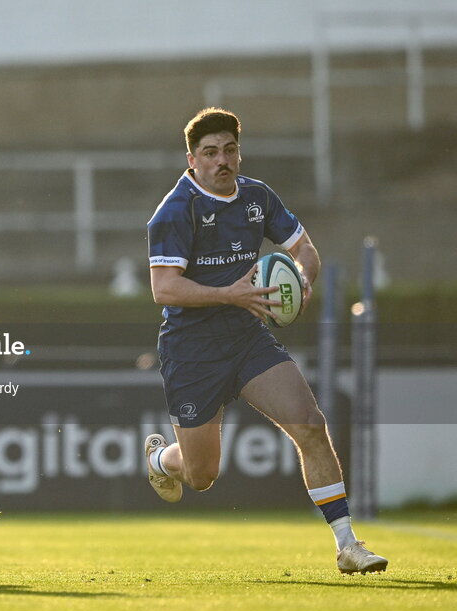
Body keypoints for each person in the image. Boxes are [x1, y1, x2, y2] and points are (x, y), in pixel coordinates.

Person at [144, 107, 387, 575]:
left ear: (239, 152)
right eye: (210, 153)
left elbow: (304, 249)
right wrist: (228, 293)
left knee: (311, 427)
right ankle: (160, 457)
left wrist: (304, 283)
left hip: (248, 338)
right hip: (192, 351)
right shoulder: (176, 210)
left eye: (229, 150)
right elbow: (164, 288)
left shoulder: (257, 197)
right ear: (192, 159)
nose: (222, 160)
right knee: (202, 476)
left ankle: (347, 545)